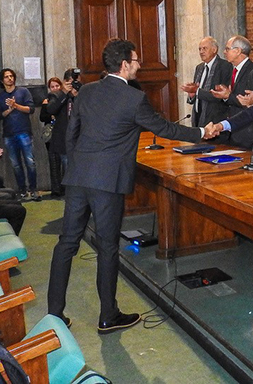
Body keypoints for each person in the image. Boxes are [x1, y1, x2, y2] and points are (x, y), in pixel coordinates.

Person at [48, 39, 211, 333]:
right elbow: (164, 128)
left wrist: (78, 165)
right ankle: (108, 316)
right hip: (108, 182)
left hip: (78, 177)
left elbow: (71, 134)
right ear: (124, 64)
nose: (138, 65)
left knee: (66, 244)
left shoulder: (86, 91)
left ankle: (54, 315)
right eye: (136, 60)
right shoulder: (134, 98)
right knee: (107, 247)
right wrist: (201, 132)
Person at [0, 68, 39, 201]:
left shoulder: (23, 92)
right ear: (2, 80)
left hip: (24, 131)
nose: (10, 79)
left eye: (11, 76)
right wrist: (10, 109)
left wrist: (16, 105)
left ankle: (33, 189)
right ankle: (22, 190)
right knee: (16, 164)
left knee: (30, 162)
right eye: (6, 77)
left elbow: (31, 109)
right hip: (9, 133)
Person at [210, 35, 253, 149]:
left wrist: (228, 96)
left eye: (227, 49)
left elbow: (246, 101)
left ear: (237, 51)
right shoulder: (233, 69)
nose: (224, 52)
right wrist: (225, 95)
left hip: (247, 131)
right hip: (233, 130)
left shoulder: (252, 70)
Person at [180, 36, 232, 141]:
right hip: (198, 118)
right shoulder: (199, 67)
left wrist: (197, 91)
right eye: (199, 49)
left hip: (215, 121)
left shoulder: (225, 66)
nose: (201, 52)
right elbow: (196, 92)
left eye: (204, 48)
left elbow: (219, 96)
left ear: (214, 49)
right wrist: (192, 95)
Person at [40, 72, 77, 197]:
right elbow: (50, 109)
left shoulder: (81, 93)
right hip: (62, 138)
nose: (72, 85)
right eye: (70, 82)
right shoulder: (57, 95)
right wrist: (64, 93)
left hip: (78, 136)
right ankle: (64, 192)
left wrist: (76, 95)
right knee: (64, 166)